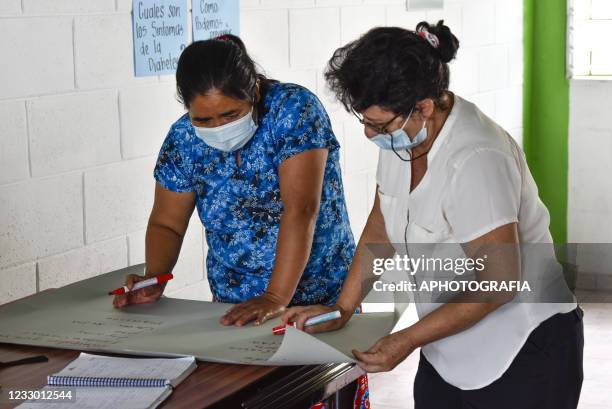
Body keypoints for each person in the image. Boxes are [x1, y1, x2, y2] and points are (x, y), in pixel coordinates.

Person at [283, 22, 584, 409]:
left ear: (423, 107)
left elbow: (500, 281)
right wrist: (343, 308)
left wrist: (406, 339)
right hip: (449, 344)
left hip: (525, 347)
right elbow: (381, 226)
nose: (371, 136)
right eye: (366, 122)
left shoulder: (476, 158)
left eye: (379, 125)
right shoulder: (404, 136)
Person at [112, 34, 369, 409]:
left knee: (317, 395)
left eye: (230, 114)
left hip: (317, 300)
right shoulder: (183, 139)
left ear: (255, 91)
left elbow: (301, 211)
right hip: (235, 310)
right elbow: (167, 223)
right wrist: (156, 277)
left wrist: (275, 297)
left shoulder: (294, 110)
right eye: (204, 118)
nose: (218, 126)